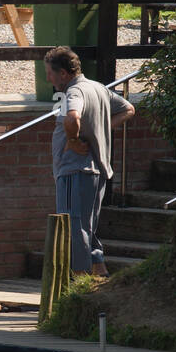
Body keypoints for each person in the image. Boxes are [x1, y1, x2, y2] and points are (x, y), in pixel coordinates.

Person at [45, 45, 133, 279]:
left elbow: (73, 116)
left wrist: (73, 139)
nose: (48, 79)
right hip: (95, 171)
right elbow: (128, 109)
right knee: (86, 224)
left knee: (73, 226)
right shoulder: (98, 88)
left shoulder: (74, 92)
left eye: (50, 73)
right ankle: (99, 270)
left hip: (76, 169)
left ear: (63, 73)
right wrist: (99, 128)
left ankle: (79, 280)